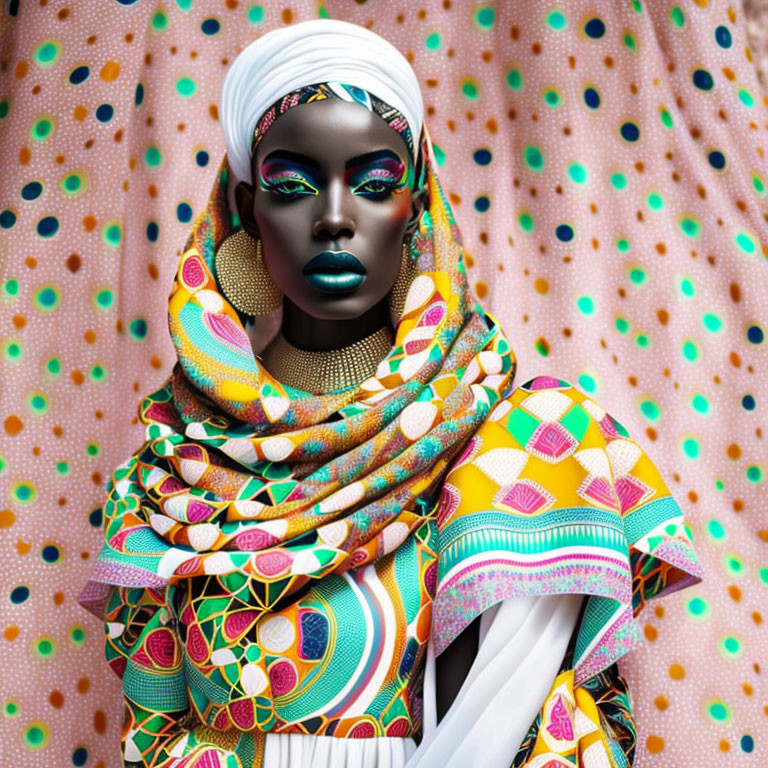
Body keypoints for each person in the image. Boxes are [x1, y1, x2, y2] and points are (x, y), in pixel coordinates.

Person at [79, 18, 702, 768]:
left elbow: (500, 724)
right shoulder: (171, 460)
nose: (335, 218)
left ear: (415, 208)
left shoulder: (522, 439)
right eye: (291, 185)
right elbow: (155, 729)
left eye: (374, 185)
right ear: (245, 209)